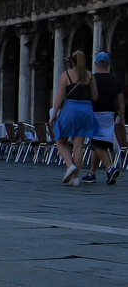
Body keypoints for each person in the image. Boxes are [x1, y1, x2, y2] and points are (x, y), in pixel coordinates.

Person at [52, 49, 99, 185]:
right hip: (87, 110)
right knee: (78, 145)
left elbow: (60, 96)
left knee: (60, 141)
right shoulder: (90, 76)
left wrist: (54, 114)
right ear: (84, 60)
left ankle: (69, 165)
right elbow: (95, 97)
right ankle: (76, 178)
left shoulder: (66, 75)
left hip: (71, 109)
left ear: (71, 61)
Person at [86, 51, 125, 185]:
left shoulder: (92, 79)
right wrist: (122, 118)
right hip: (110, 114)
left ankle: (110, 168)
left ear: (96, 64)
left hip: (95, 113)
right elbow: (121, 100)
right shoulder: (115, 79)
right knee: (99, 142)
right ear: (108, 64)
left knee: (96, 142)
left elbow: (88, 98)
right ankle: (92, 174)